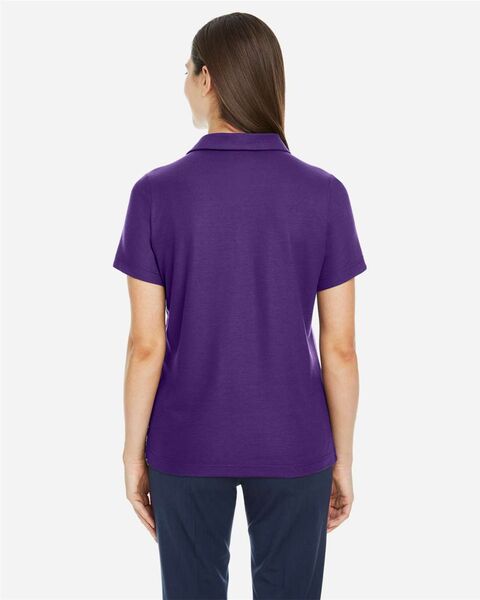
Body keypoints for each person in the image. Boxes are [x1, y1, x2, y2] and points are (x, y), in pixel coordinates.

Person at [112, 12, 367, 600]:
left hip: (185, 442)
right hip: (296, 441)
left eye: (186, 71)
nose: (185, 84)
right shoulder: (324, 194)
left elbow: (146, 345)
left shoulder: (154, 193)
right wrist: (344, 457)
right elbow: (341, 349)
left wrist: (132, 456)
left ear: (207, 78)